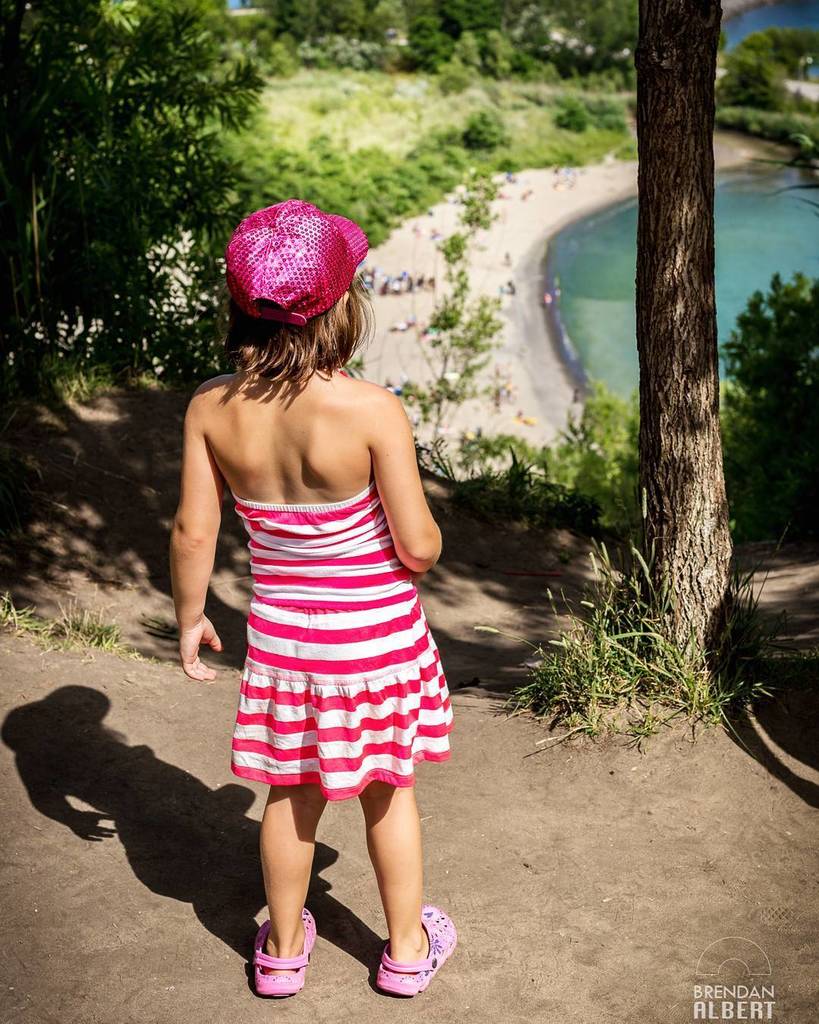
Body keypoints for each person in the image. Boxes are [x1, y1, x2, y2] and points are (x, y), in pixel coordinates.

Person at [169, 200, 456, 999]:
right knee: (385, 792)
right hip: (374, 646)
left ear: (239, 305)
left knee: (289, 796)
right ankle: (403, 952)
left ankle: (284, 950)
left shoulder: (210, 409)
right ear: (340, 305)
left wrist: (192, 618)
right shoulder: (370, 410)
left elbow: (196, 531)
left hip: (286, 651)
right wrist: (412, 547)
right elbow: (420, 547)